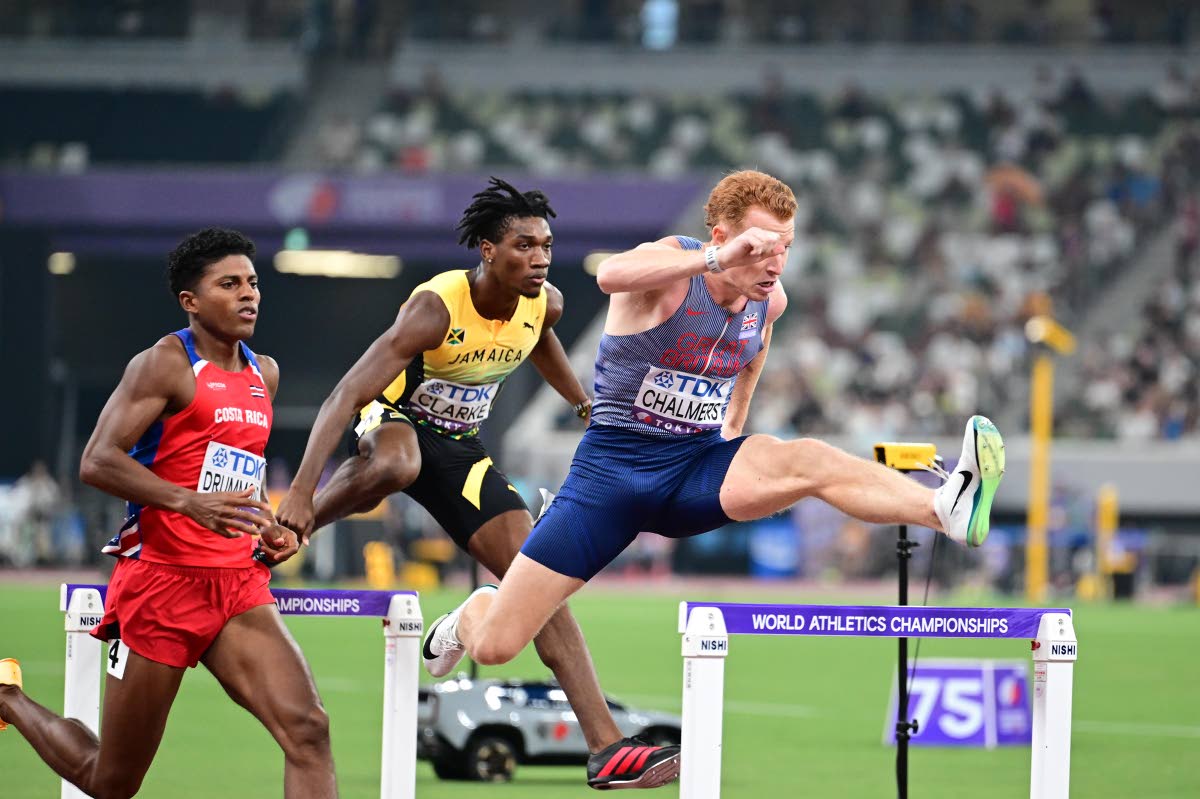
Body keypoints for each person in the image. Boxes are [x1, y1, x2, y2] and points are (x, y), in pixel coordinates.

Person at [422, 170, 1007, 741]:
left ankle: (944, 508)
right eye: (759, 248)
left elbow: (750, 356)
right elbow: (611, 275)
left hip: (696, 469)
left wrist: (732, 428)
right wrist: (712, 261)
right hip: (612, 477)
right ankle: (474, 612)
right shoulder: (674, 272)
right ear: (722, 239)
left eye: (785, 248)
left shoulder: (768, 300)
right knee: (498, 645)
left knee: (804, 458)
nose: (774, 264)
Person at [276, 177, 679, 790]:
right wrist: (300, 494)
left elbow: (538, 340)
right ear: (488, 249)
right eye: (523, 245)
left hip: (461, 452)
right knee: (398, 462)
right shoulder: (435, 308)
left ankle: (606, 748)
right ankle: (290, 532)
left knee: (537, 581)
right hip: (395, 423)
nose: (540, 257)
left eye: (546, 245)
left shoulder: (546, 303)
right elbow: (344, 395)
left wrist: (582, 403)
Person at [0, 229, 337, 799]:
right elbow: (96, 460)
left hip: (236, 584)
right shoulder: (164, 364)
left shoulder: (265, 374)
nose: (248, 295)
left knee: (309, 730)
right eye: (228, 285)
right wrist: (186, 503)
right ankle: (6, 698)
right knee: (111, 782)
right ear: (191, 300)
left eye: (252, 283)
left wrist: (269, 526)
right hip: (162, 583)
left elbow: (232, 473)